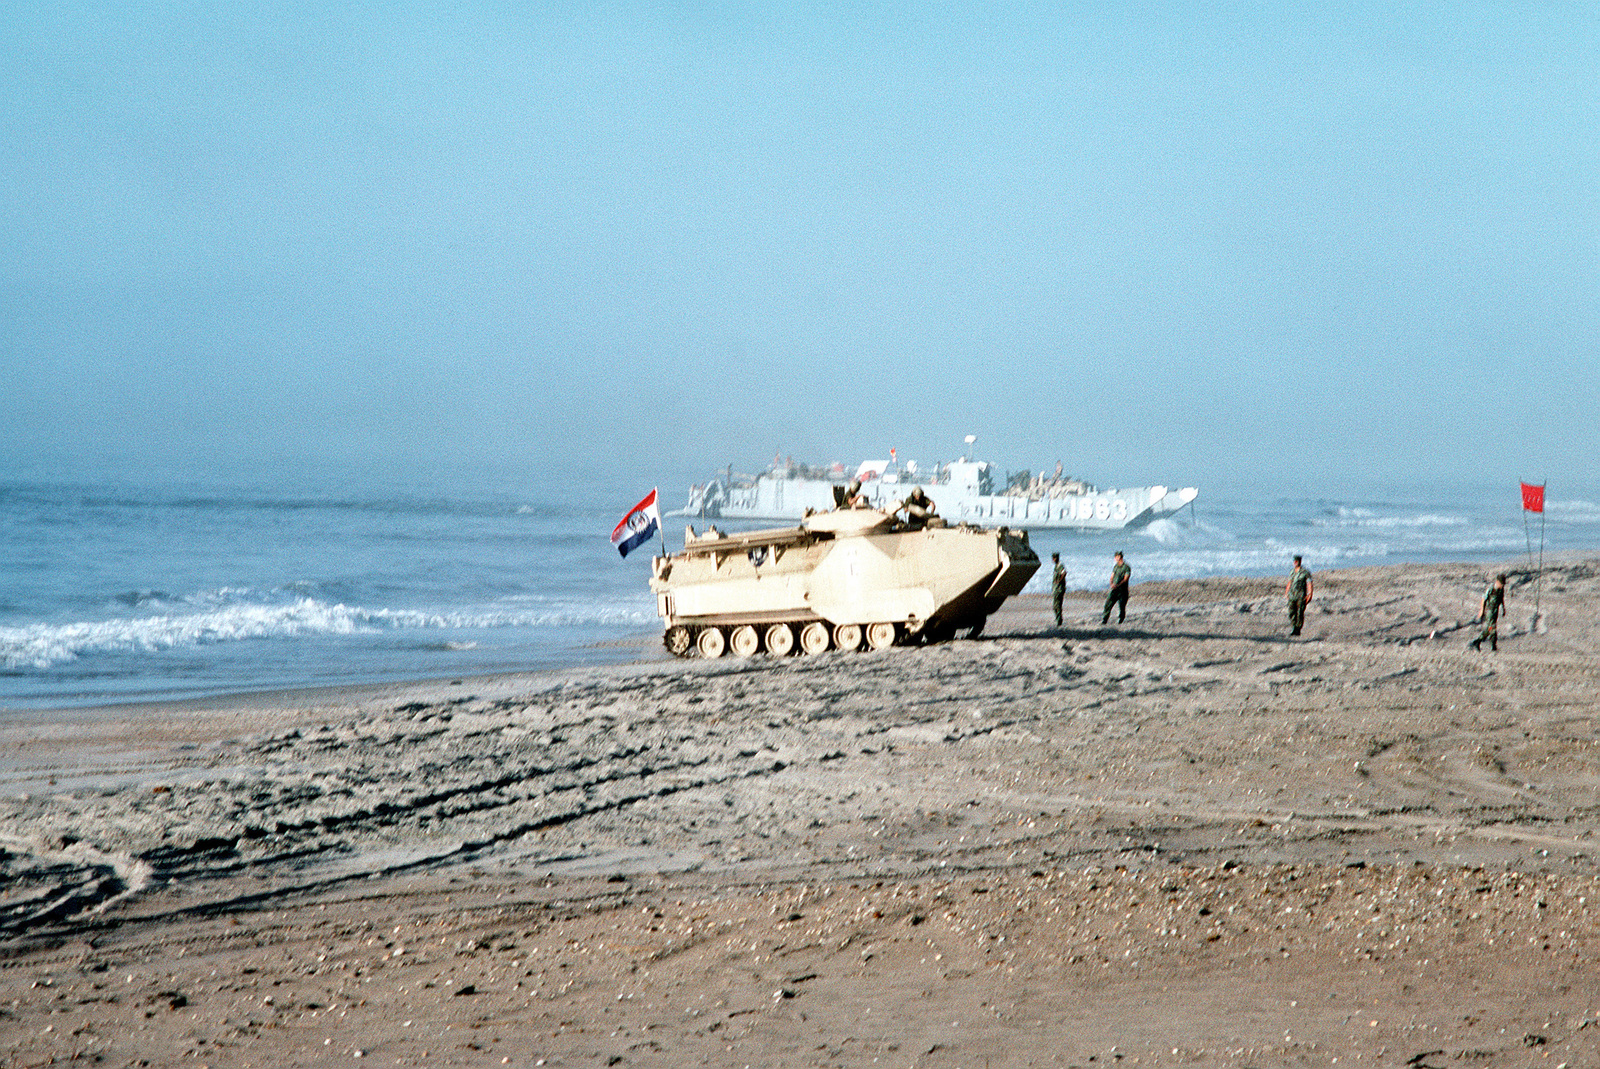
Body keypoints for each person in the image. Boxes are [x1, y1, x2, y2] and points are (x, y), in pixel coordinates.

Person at [1470, 573, 1508, 651]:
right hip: (1489, 611)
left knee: (1489, 628)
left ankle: (1478, 641)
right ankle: (1493, 646)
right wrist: (1481, 611)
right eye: (1501, 583)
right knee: (1492, 627)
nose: (1502, 585)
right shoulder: (1491, 589)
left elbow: (1501, 599)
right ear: (1497, 582)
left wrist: (1503, 608)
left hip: (1495, 611)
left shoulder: (1501, 590)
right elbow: (1484, 599)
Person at [1286, 555, 1313, 636]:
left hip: (1301, 595)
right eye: (1294, 561)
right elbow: (1290, 582)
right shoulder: (1292, 572)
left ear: (1300, 562)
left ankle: (1297, 629)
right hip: (1292, 595)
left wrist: (1310, 593)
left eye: (1296, 561)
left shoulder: (1305, 572)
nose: (1295, 563)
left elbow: (1309, 583)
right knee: (1291, 612)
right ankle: (1294, 626)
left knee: (1299, 612)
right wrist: (1287, 592)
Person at [1101, 551, 1131, 625]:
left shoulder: (1126, 567)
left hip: (1122, 590)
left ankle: (1121, 619)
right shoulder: (1116, 567)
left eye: (1116, 557)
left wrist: (1118, 584)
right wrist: (1111, 583)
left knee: (1121, 605)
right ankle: (1105, 619)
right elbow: (1112, 576)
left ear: (1119, 557)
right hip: (1114, 589)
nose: (1115, 558)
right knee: (1108, 604)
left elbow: (1126, 578)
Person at [1051, 553, 1066, 626]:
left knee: (1058, 605)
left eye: (1054, 558)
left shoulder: (1060, 566)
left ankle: (1059, 621)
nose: (1053, 559)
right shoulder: (1056, 567)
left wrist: (1059, 581)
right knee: (1055, 606)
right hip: (1056, 589)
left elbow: (1064, 573)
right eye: (1053, 558)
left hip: (1059, 589)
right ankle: (1058, 619)